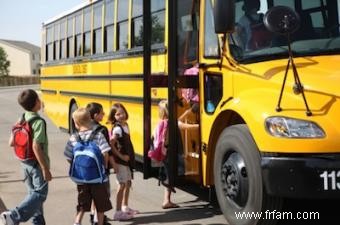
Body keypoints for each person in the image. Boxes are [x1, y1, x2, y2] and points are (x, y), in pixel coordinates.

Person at [1, 89, 52, 225]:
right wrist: (45, 168)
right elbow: (36, 146)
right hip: (36, 165)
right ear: (37, 102)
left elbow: (11, 142)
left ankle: (38, 222)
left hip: (24, 163)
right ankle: (13, 216)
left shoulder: (21, 118)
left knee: (33, 197)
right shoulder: (38, 122)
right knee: (40, 194)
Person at [64, 108, 112, 225]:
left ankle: (77, 221)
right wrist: (104, 167)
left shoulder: (73, 138)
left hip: (81, 179)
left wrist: (79, 168)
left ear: (76, 123)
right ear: (90, 120)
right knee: (100, 204)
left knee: (82, 202)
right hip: (98, 178)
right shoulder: (99, 135)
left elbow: (68, 156)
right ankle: (98, 222)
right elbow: (105, 153)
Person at [86, 103, 116, 225]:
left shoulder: (85, 128)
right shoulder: (102, 129)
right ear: (95, 115)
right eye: (102, 113)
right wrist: (109, 166)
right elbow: (107, 151)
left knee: (94, 194)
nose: (104, 115)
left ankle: (93, 217)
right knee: (103, 195)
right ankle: (100, 220)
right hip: (101, 168)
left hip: (89, 168)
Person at [107, 103, 137, 221]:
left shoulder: (125, 125)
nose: (121, 115)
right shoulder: (118, 128)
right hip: (121, 161)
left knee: (128, 183)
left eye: (123, 112)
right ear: (114, 116)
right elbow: (111, 143)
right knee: (122, 185)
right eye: (118, 114)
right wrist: (121, 156)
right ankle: (118, 212)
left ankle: (125, 207)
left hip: (127, 161)